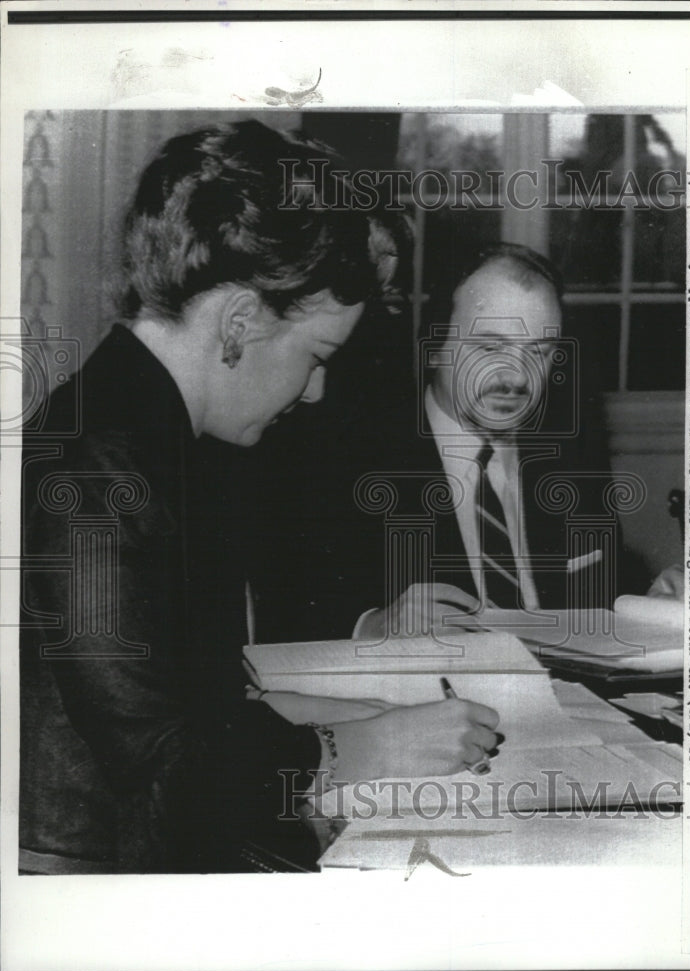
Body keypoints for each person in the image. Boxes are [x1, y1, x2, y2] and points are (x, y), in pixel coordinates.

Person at [19, 119, 500, 875]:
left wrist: (374, 721)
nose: (314, 393)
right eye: (317, 357)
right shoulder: (99, 471)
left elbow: (199, 705)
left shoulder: (142, 432)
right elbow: (170, 773)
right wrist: (354, 747)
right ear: (240, 322)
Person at [355, 243, 641, 640]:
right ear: (435, 348)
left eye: (539, 353)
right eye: (490, 348)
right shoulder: (356, 459)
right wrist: (372, 626)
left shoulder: (573, 460)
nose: (517, 379)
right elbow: (289, 616)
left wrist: (648, 607)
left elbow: (603, 603)